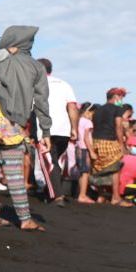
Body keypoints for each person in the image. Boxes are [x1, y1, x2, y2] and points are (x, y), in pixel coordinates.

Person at [0, 26, 51, 229]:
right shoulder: (36, 67)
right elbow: (41, 102)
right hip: (11, 124)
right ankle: (25, 219)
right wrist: (46, 131)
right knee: (14, 173)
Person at [36, 58, 79, 204]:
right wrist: (74, 128)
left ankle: (57, 196)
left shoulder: (34, 84)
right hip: (63, 131)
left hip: (44, 130)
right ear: (50, 70)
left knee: (50, 163)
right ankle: (49, 190)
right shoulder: (64, 84)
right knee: (53, 161)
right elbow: (72, 107)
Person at [90, 87, 132, 207]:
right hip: (110, 141)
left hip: (96, 142)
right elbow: (118, 126)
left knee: (100, 168)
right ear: (116, 97)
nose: (122, 100)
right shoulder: (117, 109)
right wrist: (121, 144)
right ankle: (115, 197)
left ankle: (101, 196)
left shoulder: (98, 110)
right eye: (122, 97)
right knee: (115, 169)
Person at [74, 102, 95, 203]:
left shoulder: (78, 121)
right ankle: (82, 195)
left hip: (77, 148)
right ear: (88, 112)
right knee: (85, 172)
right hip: (84, 148)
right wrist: (91, 151)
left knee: (81, 172)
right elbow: (87, 138)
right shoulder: (88, 122)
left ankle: (80, 194)